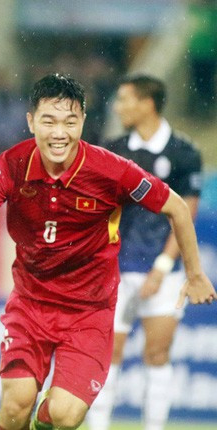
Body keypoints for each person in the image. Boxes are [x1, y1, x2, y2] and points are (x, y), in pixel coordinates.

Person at [0, 73, 215, 430]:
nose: (59, 133)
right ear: (31, 121)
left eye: (70, 122)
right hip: (31, 305)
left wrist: (194, 273)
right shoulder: (12, 163)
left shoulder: (112, 169)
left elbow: (178, 207)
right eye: (49, 122)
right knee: (15, 405)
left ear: (83, 122)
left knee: (66, 415)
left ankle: (48, 419)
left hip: (90, 311)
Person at [86, 76, 203, 430]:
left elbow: (185, 214)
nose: (118, 107)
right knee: (107, 353)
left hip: (164, 272)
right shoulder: (112, 150)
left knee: (157, 353)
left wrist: (163, 265)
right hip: (115, 269)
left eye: (124, 100)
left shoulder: (184, 153)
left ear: (147, 103)